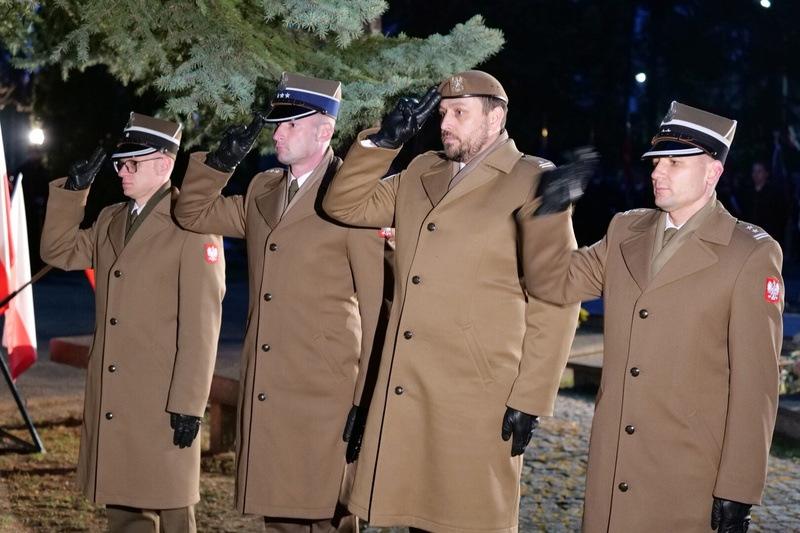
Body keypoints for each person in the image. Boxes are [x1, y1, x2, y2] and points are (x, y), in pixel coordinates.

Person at [321, 70, 581, 532]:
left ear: (495, 118)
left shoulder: (531, 180)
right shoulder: (423, 170)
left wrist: (532, 396)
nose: (445, 123)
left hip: (477, 392)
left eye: (460, 113)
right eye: (442, 113)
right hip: (409, 384)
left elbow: (555, 295)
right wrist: (383, 142)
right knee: (416, 516)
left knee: (467, 518)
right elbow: (344, 205)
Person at [518, 101, 784, 532]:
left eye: (675, 163)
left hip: (686, 474)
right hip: (614, 465)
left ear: (713, 172)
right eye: (657, 161)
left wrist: (739, 487)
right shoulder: (626, 230)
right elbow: (553, 281)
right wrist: (551, 210)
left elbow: (756, 386)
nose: (658, 172)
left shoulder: (749, 254)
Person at [172, 72, 386, 532]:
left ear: (324, 131)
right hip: (268, 387)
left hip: (326, 393)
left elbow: (376, 310)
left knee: (326, 518)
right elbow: (192, 213)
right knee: (280, 518)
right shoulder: (263, 189)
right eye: (278, 123)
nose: (277, 133)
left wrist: (365, 401)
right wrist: (220, 164)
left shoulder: (353, 198)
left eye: (291, 124)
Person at [40, 113, 226, 533]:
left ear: (163, 164)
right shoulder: (111, 218)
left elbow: (202, 327)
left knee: (172, 508)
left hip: (162, 399)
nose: (121, 171)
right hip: (116, 395)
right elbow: (58, 251)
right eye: (119, 163)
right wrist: (74, 193)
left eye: (131, 163)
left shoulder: (192, 224)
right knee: (125, 512)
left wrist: (189, 405)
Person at [737, 161, 788, 246]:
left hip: (767, 237)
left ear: (766, 174)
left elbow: (779, 219)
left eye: (759, 171)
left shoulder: (773, 195)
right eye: (754, 171)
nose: (756, 175)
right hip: (749, 237)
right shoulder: (747, 193)